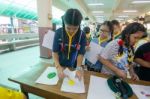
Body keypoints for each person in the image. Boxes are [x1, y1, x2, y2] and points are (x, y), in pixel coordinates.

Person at [52, 8, 86, 80]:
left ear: (79, 26)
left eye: (75, 28)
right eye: (68, 28)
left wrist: (78, 68)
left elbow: (80, 53)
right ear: (64, 23)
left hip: (74, 65)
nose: (71, 31)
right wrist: (58, 66)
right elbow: (55, 52)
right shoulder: (58, 33)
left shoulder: (82, 35)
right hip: (59, 64)